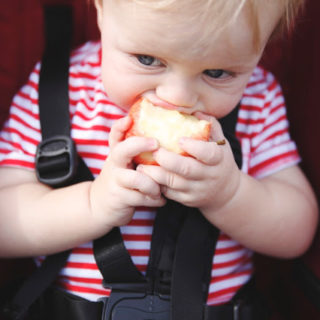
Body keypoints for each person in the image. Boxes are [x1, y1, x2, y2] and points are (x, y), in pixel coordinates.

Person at [0, 0, 318, 317]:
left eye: (217, 72)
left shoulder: (257, 101)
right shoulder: (61, 92)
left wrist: (230, 195)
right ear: (101, 11)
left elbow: (297, 230)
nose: (176, 98)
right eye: (148, 59)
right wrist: (92, 204)